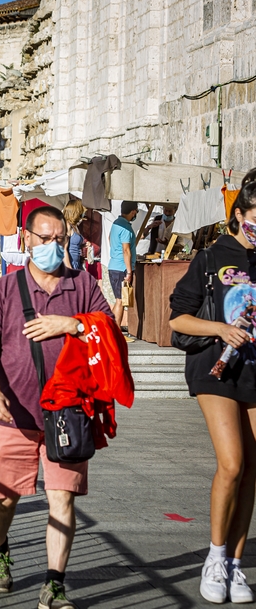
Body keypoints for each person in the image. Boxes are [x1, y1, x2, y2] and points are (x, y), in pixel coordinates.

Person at [0, 206, 114, 609]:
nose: (54, 245)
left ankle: (54, 585)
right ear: (28, 240)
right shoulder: (4, 289)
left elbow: (108, 333)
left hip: (69, 413)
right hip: (12, 415)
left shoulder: (83, 285)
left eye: (60, 238)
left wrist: (69, 324)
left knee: (62, 499)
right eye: (45, 238)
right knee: (4, 497)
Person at [169, 183, 256, 604]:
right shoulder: (210, 257)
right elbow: (179, 319)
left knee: (253, 471)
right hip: (216, 370)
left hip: (255, 369)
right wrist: (220, 328)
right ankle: (216, 556)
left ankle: (236, 566)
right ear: (240, 214)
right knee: (232, 462)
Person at [108, 200, 138, 339]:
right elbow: (126, 250)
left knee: (117, 300)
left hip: (113, 265)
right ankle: (117, 333)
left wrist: (115, 252)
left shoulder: (115, 223)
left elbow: (109, 238)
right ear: (133, 211)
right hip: (121, 268)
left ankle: (112, 329)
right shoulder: (125, 227)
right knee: (120, 300)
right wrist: (129, 271)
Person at [62, 200, 86, 271]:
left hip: (77, 264)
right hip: (70, 264)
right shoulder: (67, 225)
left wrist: (83, 245)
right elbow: (64, 249)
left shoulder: (74, 226)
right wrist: (69, 269)